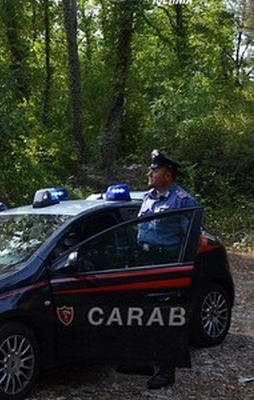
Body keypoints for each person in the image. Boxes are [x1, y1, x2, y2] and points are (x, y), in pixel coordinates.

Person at [119, 149, 199, 390]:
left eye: (154, 170)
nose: (149, 173)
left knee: (165, 317)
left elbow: (193, 237)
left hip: (167, 264)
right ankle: (142, 362)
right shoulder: (148, 197)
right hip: (144, 261)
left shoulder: (182, 201)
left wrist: (181, 269)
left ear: (168, 174)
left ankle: (167, 370)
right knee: (142, 312)